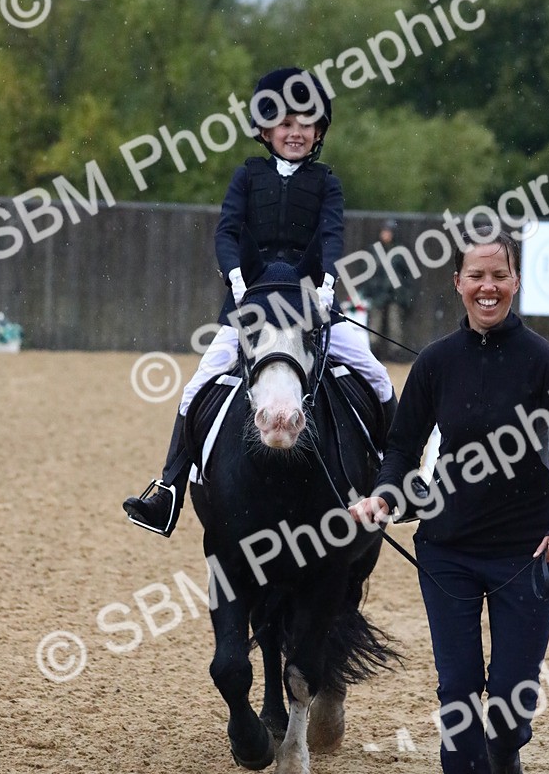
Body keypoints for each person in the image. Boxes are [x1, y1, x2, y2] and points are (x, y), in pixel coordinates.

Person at [349, 228, 549, 774]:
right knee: (458, 686)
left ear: (515, 282)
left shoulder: (543, 361)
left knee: (513, 695)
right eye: (476, 276)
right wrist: (386, 493)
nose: (487, 287)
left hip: (527, 555)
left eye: (499, 276)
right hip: (448, 551)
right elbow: (402, 447)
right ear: (458, 284)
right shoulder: (436, 362)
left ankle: (505, 755)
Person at [124, 66, 396, 536]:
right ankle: (168, 490)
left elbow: (331, 237)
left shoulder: (327, 183)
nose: (295, 132)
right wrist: (235, 278)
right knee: (196, 386)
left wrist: (327, 283)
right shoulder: (246, 176)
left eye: (305, 123)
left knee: (376, 375)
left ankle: (402, 479)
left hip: (310, 302)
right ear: (265, 129)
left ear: (319, 132)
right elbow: (228, 231)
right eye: (285, 123)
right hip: (249, 302)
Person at [359, 219, 416, 361]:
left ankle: (395, 353)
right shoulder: (374, 251)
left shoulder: (399, 252)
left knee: (395, 324)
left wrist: (405, 293)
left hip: (395, 295)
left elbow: (406, 275)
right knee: (374, 324)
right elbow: (367, 273)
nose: (386, 235)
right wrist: (370, 290)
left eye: (388, 231)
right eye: (384, 231)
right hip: (377, 294)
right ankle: (373, 352)